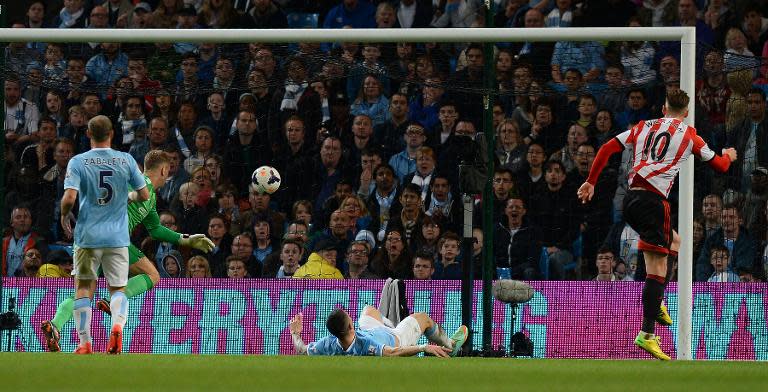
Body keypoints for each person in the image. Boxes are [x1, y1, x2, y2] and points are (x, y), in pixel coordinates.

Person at [577, 90, 737, 360]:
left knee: (675, 241)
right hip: (653, 202)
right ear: (685, 113)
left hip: (630, 200)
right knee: (657, 267)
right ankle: (647, 333)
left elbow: (606, 148)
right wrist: (729, 155)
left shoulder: (643, 126)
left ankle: (657, 300)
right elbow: (720, 166)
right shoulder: (689, 135)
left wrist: (591, 181)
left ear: (664, 108)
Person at [42, 150, 215, 353]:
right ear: (164, 169)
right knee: (151, 275)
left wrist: (186, 239)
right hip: (114, 240)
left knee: (84, 294)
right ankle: (113, 310)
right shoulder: (135, 182)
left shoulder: (149, 197)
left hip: (89, 238)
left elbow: (155, 229)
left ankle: (56, 324)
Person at [58, 115, 150, 355]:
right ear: (112, 134)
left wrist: (64, 215)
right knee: (118, 289)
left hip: (88, 237)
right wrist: (127, 196)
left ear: (88, 134)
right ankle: (117, 328)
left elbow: (69, 198)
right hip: (118, 239)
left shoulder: (78, 161)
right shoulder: (126, 160)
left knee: (84, 289)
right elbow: (144, 195)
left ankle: (85, 343)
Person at [290, 305, 468, 357]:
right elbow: (393, 352)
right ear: (351, 326)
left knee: (368, 310)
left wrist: (295, 333)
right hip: (395, 338)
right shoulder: (366, 346)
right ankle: (451, 346)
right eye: (349, 317)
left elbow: (301, 349)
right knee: (423, 318)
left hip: (371, 330)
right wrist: (423, 347)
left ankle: (391, 324)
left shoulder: (327, 343)